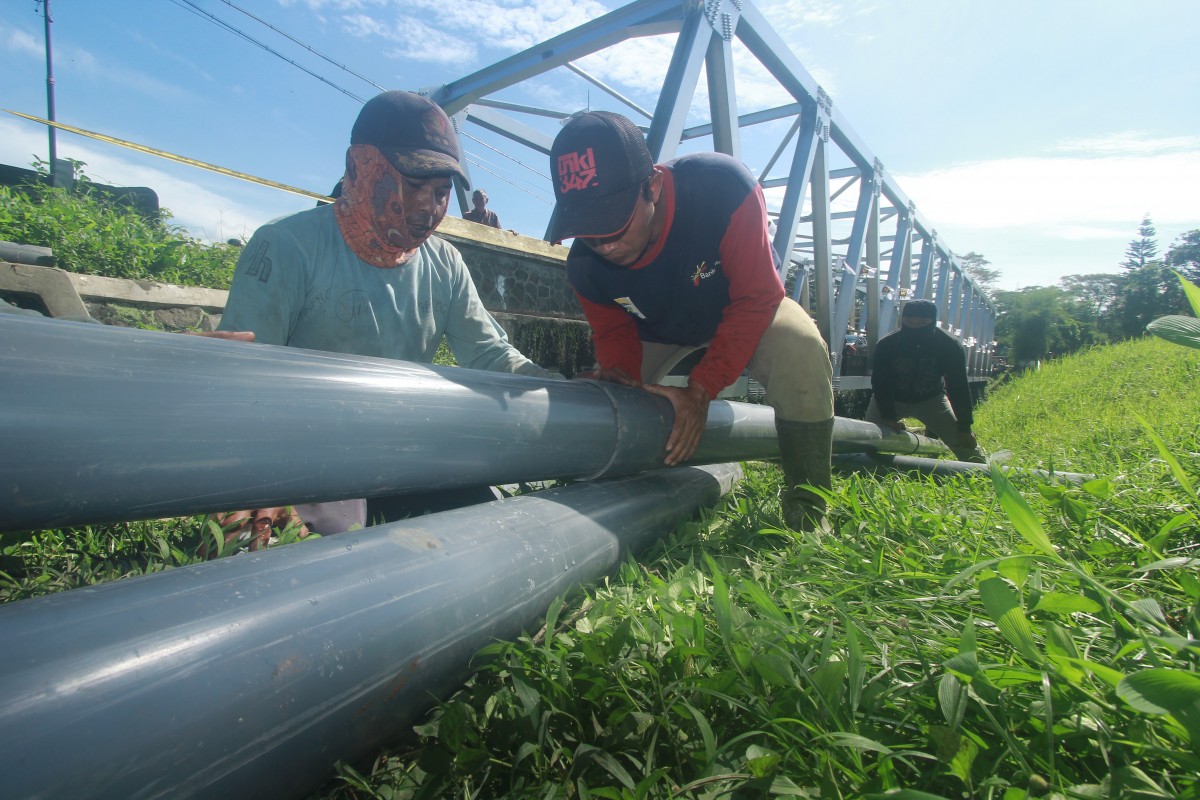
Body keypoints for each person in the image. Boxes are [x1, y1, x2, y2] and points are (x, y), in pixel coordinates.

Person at [210, 90, 559, 551]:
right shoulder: (286, 247)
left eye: (440, 192)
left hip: (399, 449)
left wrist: (553, 386)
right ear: (359, 167)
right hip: (299, 452)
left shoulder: (445, 264)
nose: (429, 208)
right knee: (266, 550)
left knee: (487, 532)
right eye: (413, 183)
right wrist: (258, 477)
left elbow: (489, 352)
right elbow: (243, 377)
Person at [546, 110, 835, 532]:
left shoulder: (723, 190)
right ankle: (578, 490)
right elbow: (613, 331)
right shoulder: (585, 267)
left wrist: (700, 391)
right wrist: (620, 376)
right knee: (607, 400)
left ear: (653, 187)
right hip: (657, 328)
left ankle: (808, 503)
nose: (603, 244)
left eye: (613, 222)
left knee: (801, 349)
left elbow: (757, 297)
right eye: (587, 229)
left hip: (741, 309)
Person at [866, 299, 985, 462]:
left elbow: (959, 387)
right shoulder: (887, 344)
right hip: (891, 399)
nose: (915, 327)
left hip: (932, 401)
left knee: (966, 445)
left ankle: (984, 473)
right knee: (864, 440)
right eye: (910, 322)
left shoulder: (949, 346)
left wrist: (965, 426)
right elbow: (880, 383)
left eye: (922, 323)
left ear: (932, 321)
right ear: (903, 320)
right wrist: (888, 416)